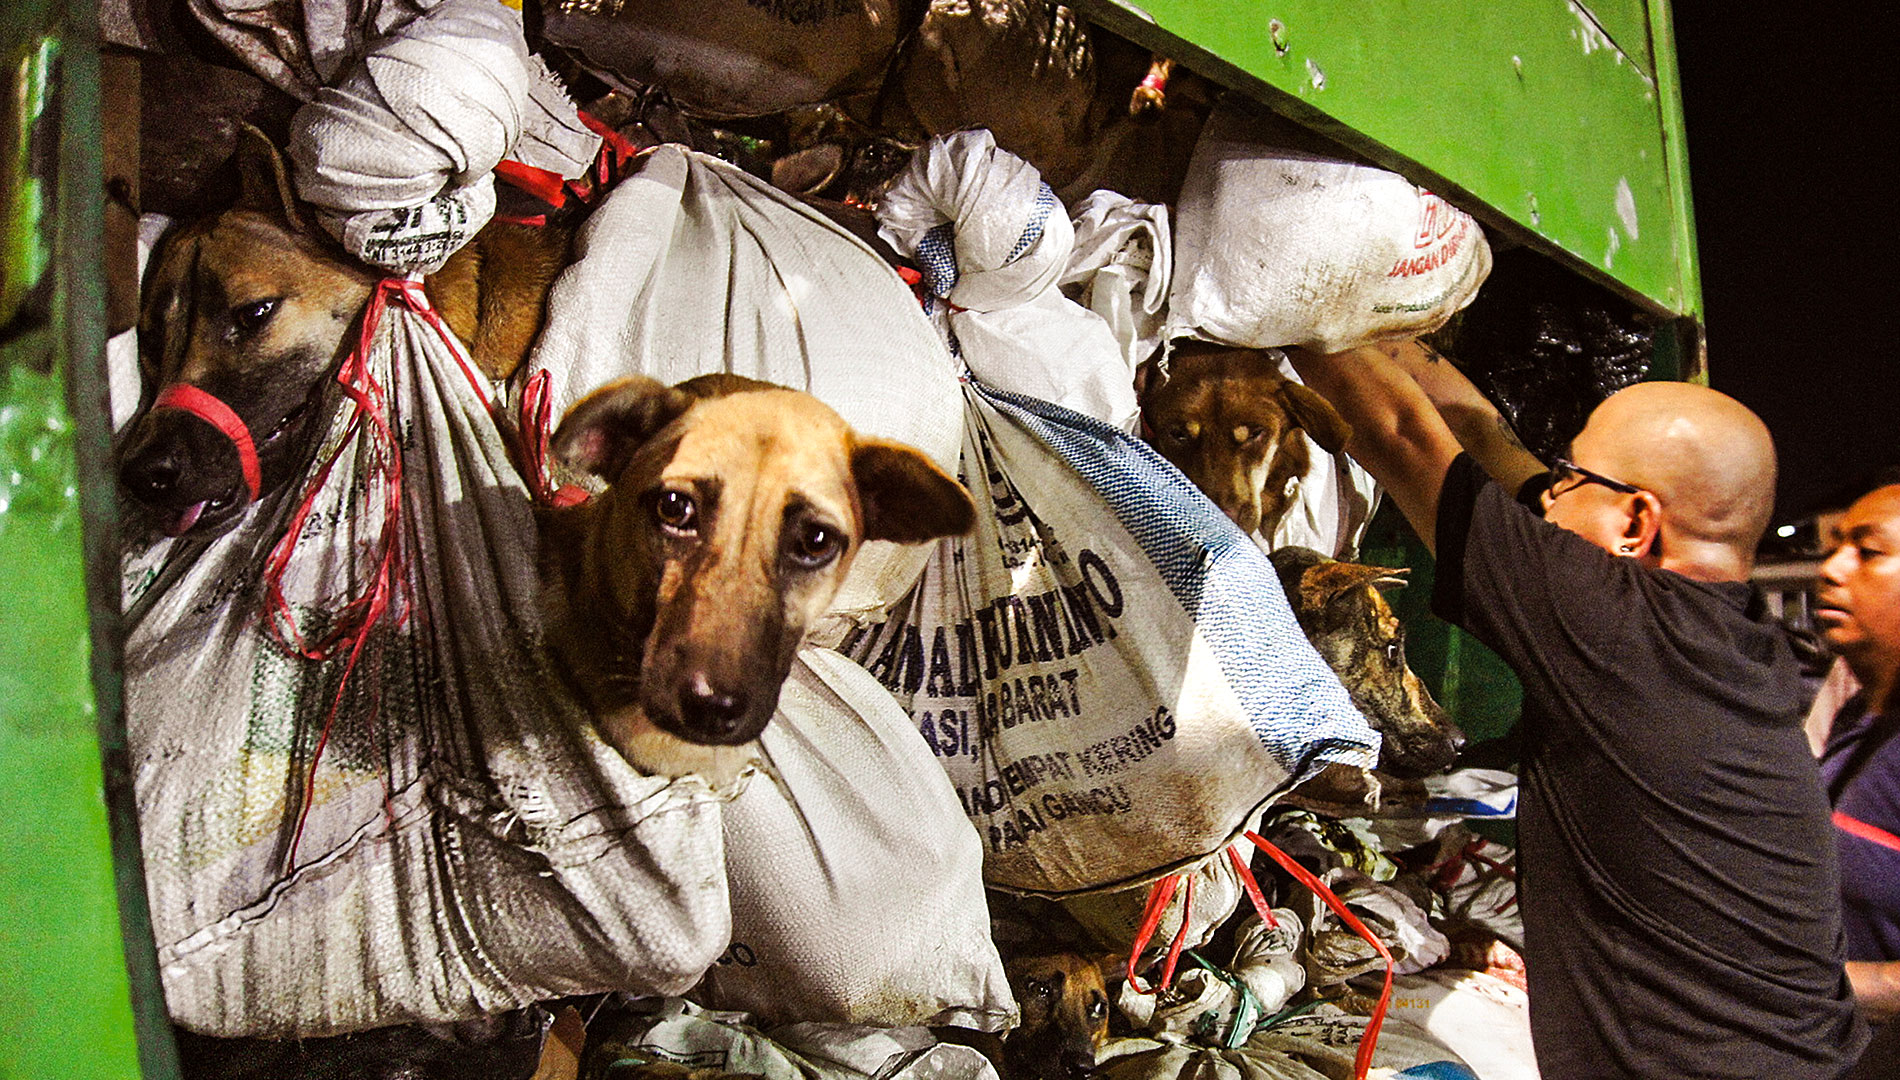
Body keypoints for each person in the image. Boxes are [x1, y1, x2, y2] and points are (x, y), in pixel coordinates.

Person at [1284, 339, 1867, 1078]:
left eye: (1568, 477)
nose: (1547, 492)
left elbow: (1399, 430)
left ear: (1635, 523)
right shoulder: (1729, 640)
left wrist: (1296, 305)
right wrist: (1395, 337)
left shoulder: (1619, 630)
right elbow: (1492, 444)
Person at [1814, 483, 1900, 1023]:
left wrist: (1788, 985)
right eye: (1836, 544)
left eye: (1869, 552)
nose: (1831, 568)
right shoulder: (1857, 717)